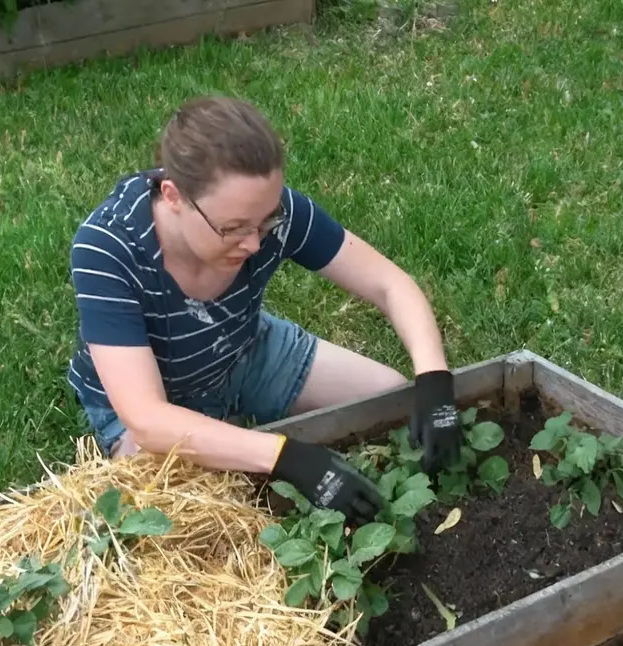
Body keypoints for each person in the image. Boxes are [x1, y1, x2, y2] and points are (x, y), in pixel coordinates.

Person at [66, 95, 461, 526]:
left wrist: (434, 379)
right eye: (232, 228)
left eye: (265, 221)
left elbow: (389, 284)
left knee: (391, 400)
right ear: (173, 195)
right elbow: (147, 417)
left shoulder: (271, 213)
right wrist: (287, 457)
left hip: (245, 350)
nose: (254, 243)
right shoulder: (109, 249)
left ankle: (240, 424)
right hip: (156, 400)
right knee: (184, 520)